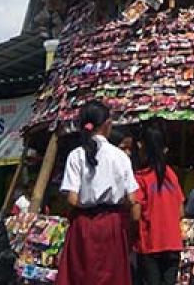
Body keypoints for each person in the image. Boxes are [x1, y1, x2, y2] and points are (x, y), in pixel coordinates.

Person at [56, 100, 140, 285]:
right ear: (107, 124)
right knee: (112, 277)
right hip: (112, 225)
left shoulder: (76, 155)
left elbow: (71, 199)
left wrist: (87, 203)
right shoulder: (120, 156)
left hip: (84, 226)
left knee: (81, 277)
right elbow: (133, 199)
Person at [133, 123, 184, 285]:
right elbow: (180, 211)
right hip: (173, 244)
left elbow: (135, 215)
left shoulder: (140, 177)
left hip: (150, 245)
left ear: (144, 147)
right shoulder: (171, 175)